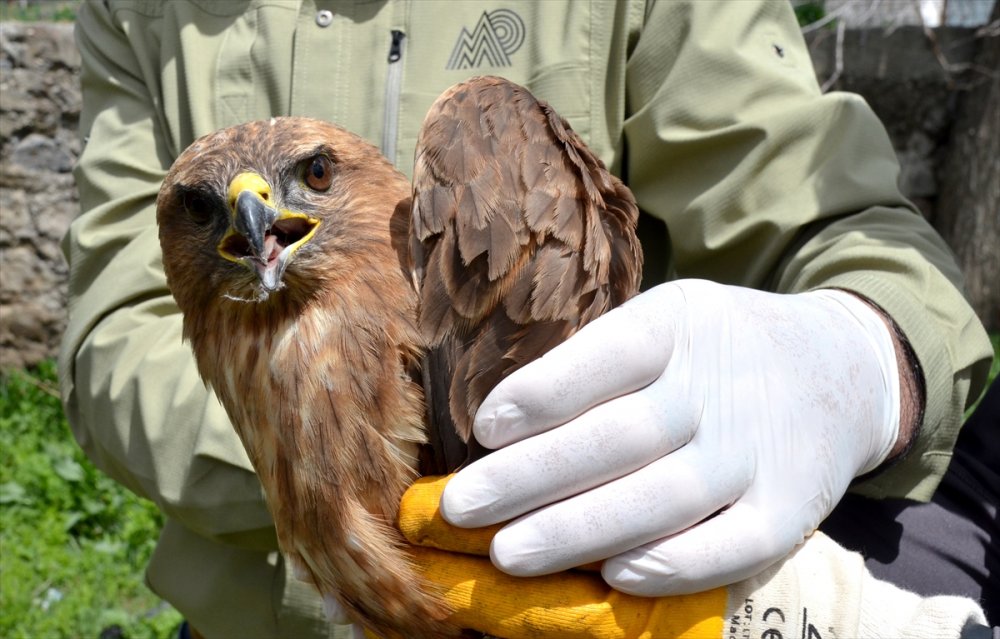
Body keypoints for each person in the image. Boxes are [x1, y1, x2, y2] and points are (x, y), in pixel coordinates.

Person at [59, 0, 994, 637]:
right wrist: (353, 497)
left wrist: (862, 351)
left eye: (308, 179)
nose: (255, 214)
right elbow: (113, 333)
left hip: (601, 601)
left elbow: (838, 221)